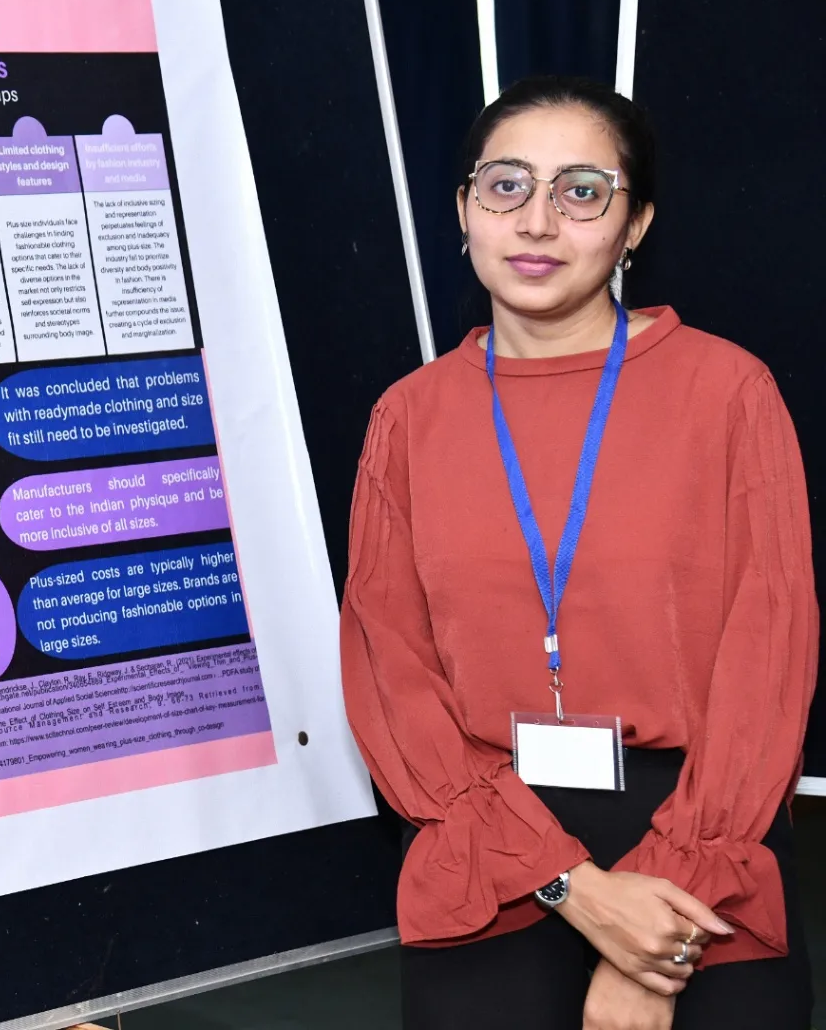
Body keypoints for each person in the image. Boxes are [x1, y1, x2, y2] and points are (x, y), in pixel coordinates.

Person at [340, 76, 816, 1030]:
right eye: (506, 185)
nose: (538, 221)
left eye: (583, 191)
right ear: (465, 210)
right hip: (484, 841)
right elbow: (390, 670)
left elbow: (768, 661)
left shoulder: (729, 392)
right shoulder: (409, 417)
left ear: (635, 224)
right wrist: (576, 890)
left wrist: (651, 950)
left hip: (700, 833)